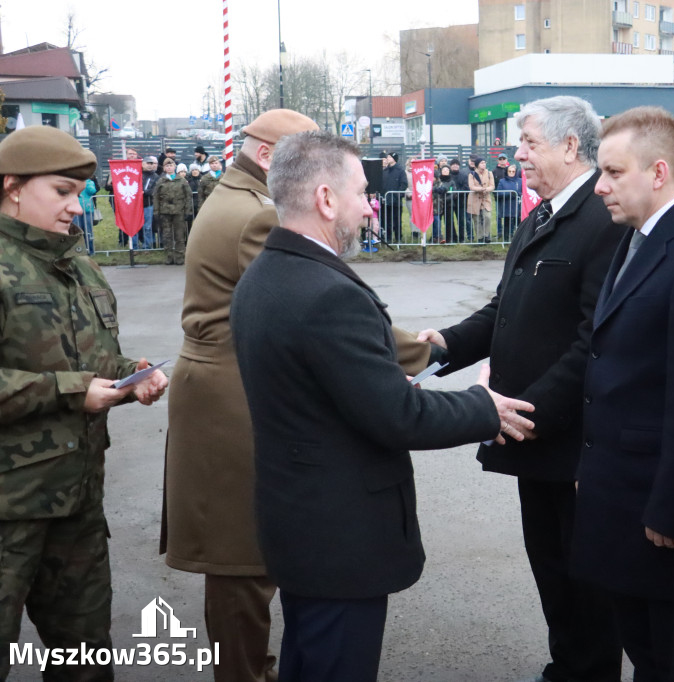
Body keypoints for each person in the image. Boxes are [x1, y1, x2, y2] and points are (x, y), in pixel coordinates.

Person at [230, 130, 535, 681]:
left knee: (308, 658)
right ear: (326, 199)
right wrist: (485, 407)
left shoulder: (267, 273)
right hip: (339, 536)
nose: (370, 206)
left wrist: (374, 387)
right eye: (361, 193)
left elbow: (322, 392)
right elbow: (399, 417)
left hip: (300, 524)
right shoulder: (327, 294)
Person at [162, 109, 438, 682]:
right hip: (234, 401)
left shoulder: (232, 196)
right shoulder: (257, 216)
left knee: (241, 559)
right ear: (268, 155)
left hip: (220, 389)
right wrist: (427, 350)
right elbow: (318, 307)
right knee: (241, 561)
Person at [418, 95, 628, 682]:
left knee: (586, 583)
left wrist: (527, 412)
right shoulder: (543, 215)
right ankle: (567, 668)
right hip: (533, 437)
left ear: (570, 145)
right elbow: (503, 310)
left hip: (570, 439)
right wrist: (443, 347)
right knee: (552, 569)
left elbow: (595, 339)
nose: (518, 154)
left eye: (529, 142)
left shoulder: (602, 220)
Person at [0, 125, 168, 681]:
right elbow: (71, 381)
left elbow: (97, 360)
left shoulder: (81, 268)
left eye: (79, 193)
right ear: (12, 187)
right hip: (8, 511)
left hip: (76, 504)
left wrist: (131, 375)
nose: (77, 206)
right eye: (62, 191)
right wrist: (68, 390)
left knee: (85, 658)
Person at [570, 106, 674, 682]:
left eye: (613, 173)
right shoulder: (637, 237)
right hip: (619, 489)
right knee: (639, 642)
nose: (600, 187)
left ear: (658, 173)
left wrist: (670, 504)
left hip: (653, 505)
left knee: (664, 655)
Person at [154, 158, 192, 264]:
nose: (169, 168)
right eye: (167, 166)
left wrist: (188, 211)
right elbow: (156, 197)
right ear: (164, 168)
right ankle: (169, 257)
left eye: (171, 166)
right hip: (165, 211)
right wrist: (156, 212)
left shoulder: (182, 180)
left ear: (175, 167)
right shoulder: (161, 181)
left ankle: (180, 257)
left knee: (179, 235)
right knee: (167, 235)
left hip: (179, 211)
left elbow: (188, 196)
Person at [380, 151, 407, 243]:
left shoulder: (400, 170)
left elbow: (404, 184)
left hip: (396, 201)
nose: (387, 158)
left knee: (397, 220)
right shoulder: (385, 171)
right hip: (385, 200)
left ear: (394, 159)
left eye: (389, 157)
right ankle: (388, 238)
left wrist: (397, 195)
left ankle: (398, 238)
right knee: (387, 220)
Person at [468, 157, 495, 242]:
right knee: (476, 219)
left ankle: (486, 235)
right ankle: (480, 237)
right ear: (477, 165)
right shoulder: (472, 174)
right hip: (474, 199)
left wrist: (486, 189)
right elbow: (471, 186)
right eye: (482, 163)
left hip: (485, 198)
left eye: (484, 162)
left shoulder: (489, 173)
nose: (484, 164)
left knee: (487, 216)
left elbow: (492, 186)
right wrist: (480, 189)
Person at [496, 163, 522, 241]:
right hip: (507, 205)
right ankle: (506, 239)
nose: (511, 173)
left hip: (517, 205)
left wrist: (518, 194)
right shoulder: (502, 181)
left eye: (513, 171)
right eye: (509, 171)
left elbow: (524, 192)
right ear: (506, 172)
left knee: (519, 223)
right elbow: (499, 193)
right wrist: (509, 193)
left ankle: (518, 239)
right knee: (507, 223)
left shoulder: (520, 181)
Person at [74, 171, 99, 254]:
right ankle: (78, 250)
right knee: (77, 230)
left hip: (87, 210)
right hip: (76, 210)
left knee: (88, 231)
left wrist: (86, 182)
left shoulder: (89, 182)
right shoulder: (74, 182)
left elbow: (92, 191)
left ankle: (90, 250)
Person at [140, 156, 160, 249]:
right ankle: (135, 246)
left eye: (151, 163)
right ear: (142, 164)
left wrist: (145, 192)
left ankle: (147, 246)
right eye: (148, 163)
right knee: (136, 226)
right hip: (136, 205)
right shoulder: (137, 174)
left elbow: (155, 190)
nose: (150, 165)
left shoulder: (155, 176)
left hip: (148, 204)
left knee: (147, 226)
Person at [449, 158, 470, 242]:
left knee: (461, 221)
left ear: (459, 166)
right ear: (450, 166)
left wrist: (457, 192)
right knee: (450, 221)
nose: (455, 166)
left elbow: (466, 187)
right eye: (453, 164)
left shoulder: (464, 175)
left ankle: (462, 238)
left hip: (460, 202)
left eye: (457, 164)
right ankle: (453, 237)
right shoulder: (448, 175)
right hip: (449, 202)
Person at [433, 164, 454, 243]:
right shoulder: (437, 181)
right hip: (437, 205)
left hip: (448, 204)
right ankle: (436, 237)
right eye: (443, 170)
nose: (445, 171)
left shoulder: (451, 182)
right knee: (436, 221)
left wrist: (445, 199)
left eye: (447, 170)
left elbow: (452, 192)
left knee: (448, 222)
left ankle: (449, 238)